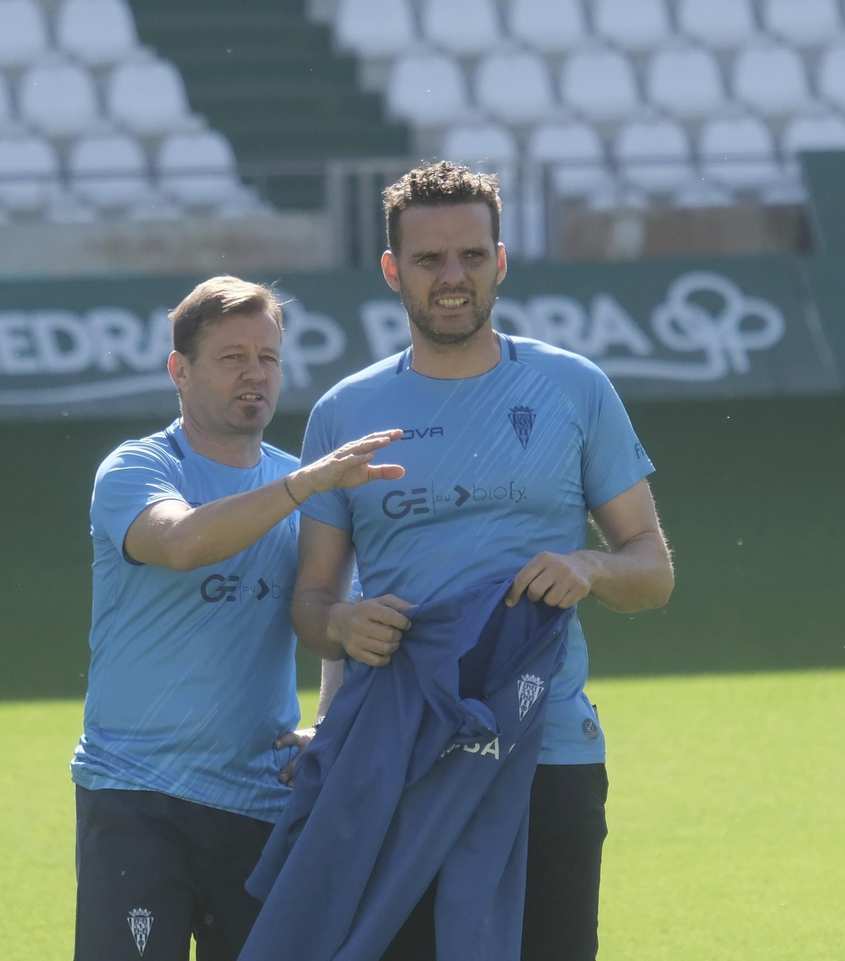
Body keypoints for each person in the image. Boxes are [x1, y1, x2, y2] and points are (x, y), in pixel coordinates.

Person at [289, 162, 674, 961]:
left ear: (500, 260)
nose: (452, 277)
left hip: (548, 752)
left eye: (471, 255)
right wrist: (342, 622)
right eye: (429, 260)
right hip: (397, 758)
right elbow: (312, 600)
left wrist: (591, 568)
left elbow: (653, 569)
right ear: (394, 271)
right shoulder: (345, 411)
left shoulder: (573, 388)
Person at [72, 275, 403, 961]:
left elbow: (338, 615)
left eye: (269, 357)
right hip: (137, 793)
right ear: (179, 370)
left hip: (260, 801)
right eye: (231, 357)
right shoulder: (137, 468)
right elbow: (182, 541)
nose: (254, 373)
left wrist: (330, 724)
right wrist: (302, 486)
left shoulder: (304, 485)